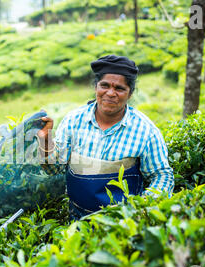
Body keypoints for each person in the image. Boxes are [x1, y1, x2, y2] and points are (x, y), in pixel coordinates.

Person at [37, 55, 174, 220]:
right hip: (77, 221)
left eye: (119, 88)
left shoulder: (145, 131)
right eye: (105, 85)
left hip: (123, 224)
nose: (110, 93)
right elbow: (54, 169)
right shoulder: (73, 121)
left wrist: (141, 207)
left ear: (130, 93)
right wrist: (46, 141)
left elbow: (162, 176)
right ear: (96, 87)